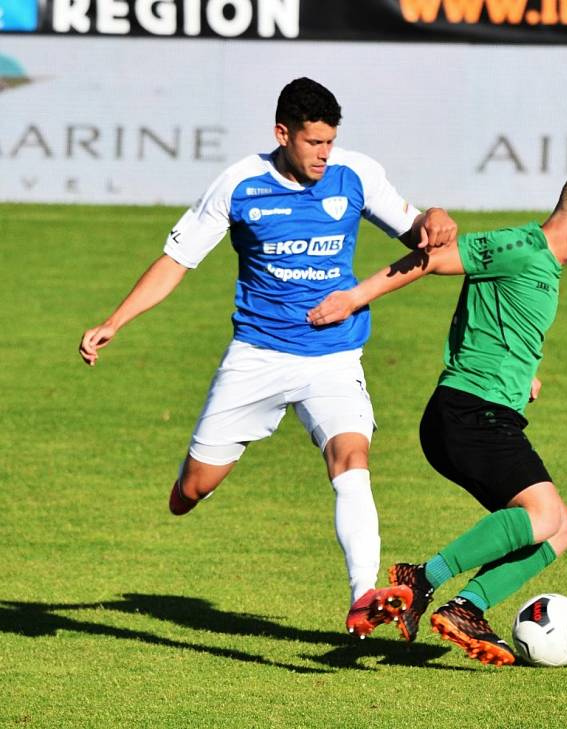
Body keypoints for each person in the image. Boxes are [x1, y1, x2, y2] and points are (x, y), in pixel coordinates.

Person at [79, 77, 457, 639]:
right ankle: (191, 483)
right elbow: (176, 260)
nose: (325, 155)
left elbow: (425, 236)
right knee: (194, 490)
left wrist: (437, 216)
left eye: (331, 141)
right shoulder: (239, 185)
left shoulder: (356, 175)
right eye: (313, 143)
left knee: (352, 461)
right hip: (256, 357)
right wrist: (115, 320)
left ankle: (364, 599)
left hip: (333, 357)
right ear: (283, 134)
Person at [307, 164, 567, 665]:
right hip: (466, 413)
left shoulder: (543, 266)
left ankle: (467, 607)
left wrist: (524, 374)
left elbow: (502, 325)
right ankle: (422, 582)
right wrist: (354, 297)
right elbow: (432, 259)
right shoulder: (519, 246)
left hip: (488, 412)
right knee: (542, 514)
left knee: (560, 527)